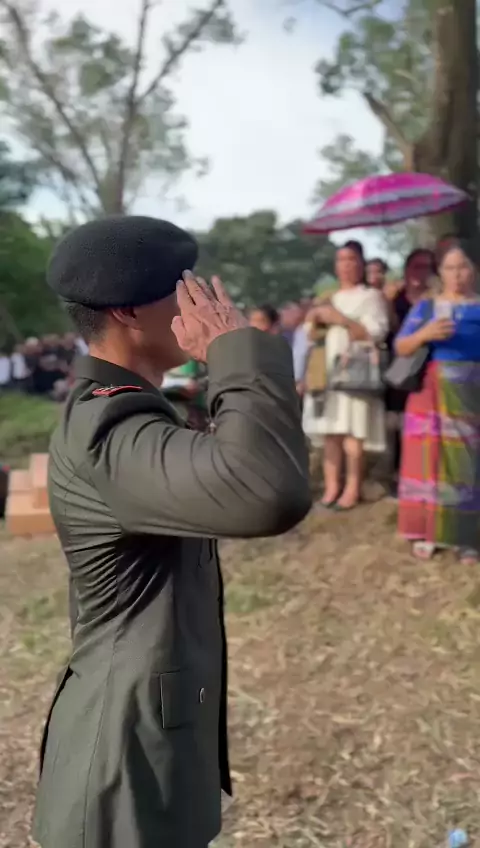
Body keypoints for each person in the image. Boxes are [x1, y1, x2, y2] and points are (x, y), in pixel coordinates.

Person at [32, 215, 311, 848]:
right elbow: (266, 491)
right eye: (184, 289)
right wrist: (235, 350)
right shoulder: (108, 428)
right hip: (120, 773)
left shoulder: (132, 407)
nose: (203, 305)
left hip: (143, 753)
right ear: (130, 311)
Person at [395, 241, 480, 563]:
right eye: (450, 268)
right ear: (440, 273)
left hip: (471, 393)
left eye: (463, 267)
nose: (457, 274)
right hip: (430, 394)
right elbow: (402, 347)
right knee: (427, 461)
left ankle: (464, 536)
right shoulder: (427, 307)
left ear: (474, 270)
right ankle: (428, 531)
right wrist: (425, 334)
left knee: (466, 463)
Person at [302, 241, 389, 510]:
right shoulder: (327, 297)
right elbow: (309, 335)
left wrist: (340, 319)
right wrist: (316, 316)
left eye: (352, 259)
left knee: (354, 435)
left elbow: (376, 333)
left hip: (355, 373)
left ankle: (352, 489)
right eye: (341, 259)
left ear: (361, 264)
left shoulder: (371, 297)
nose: (346, 265)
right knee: (330, 434)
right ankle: (331, 489)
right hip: (325, 373)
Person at [385, 248, 436, 497]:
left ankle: (424, 474)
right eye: (415, 266)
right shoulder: (395, 298)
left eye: (425, 267)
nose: (420, 272)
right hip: (399, 366)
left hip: (427, 367)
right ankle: (398, 475)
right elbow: (391, 330)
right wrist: (388, 303)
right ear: (406, 270)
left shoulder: (437, 300)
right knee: (397, 424)